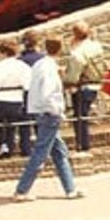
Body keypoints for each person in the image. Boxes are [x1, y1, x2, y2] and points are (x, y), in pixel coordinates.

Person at [13, 38, 83, 202]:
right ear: (60, 49)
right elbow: (48, 92)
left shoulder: (40, 64)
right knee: (41, 153)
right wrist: (57, 111)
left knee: (59, 151)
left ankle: (70, 188)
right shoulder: (50, 68)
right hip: (49, 113)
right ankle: (21, 190)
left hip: (41, 111)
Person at [0, 39, 32, 159]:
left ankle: (3, 144)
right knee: (12, 125)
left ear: (4, 53)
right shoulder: (22, 66)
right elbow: (28, 85)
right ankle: (12, 146)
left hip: (0, 99)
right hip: (17, 99)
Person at [63, 22, 105, 153]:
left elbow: (72, 77)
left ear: (75, 34)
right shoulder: (97, 46)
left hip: (83, 87)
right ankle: (83, 144)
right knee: (83, 116)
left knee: (80, 117)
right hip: (96, 84)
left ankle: (83, 145)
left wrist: (64, 80)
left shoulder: (77, 53)